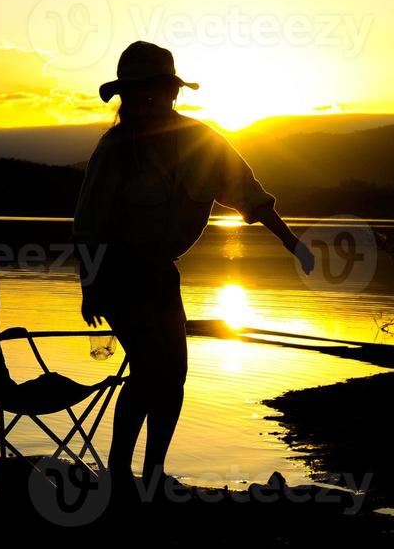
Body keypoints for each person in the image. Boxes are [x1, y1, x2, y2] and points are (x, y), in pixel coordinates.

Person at [72, 41, 315, 493]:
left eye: (155, 90)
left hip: (161, 275)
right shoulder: (114, 149)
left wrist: (291, 242)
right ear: (126, 97)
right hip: (118, 275)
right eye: (136, 93)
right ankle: (120, 473)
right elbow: (89, 225)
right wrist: (90, 285)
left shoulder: (202, 141)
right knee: (148, 372)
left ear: (172, 92)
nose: (146, 100)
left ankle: (155, 472)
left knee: (174, 376)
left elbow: (250, 193)